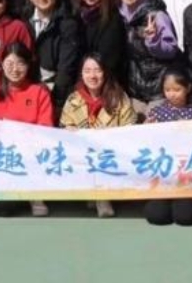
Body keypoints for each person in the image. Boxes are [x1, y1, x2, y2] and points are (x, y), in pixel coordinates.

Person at [60, 53, 140, 217]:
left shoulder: (119, 97)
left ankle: (101, 196)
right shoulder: (73, 99)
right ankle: (94, 194)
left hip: (110, 153)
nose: (92, 76)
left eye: (97, 70)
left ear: (105, 72)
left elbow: (130, 128)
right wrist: (69, 130)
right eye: (87, 71)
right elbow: (65, 125)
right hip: (83, 154)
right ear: (81, 74)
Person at [0, 42, 53, 217]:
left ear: (28, 65)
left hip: (32, 153)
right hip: (4, 156)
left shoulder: (39, 92)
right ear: (1, 65)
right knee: (3, 208)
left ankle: (35, 195)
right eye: (9, 64)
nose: (15, 69)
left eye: (20, 63)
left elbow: (46, 128)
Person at [143, 69, 192, 227]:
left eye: (177, 89)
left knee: (184, 217)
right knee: (156, 216)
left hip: (187, 173)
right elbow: (146, 142)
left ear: (188, 88)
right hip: (163, 172)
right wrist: (146, 128)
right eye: (167, 90)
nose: (172, 94)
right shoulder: (156, 113)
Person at [115, 0, 179, 104]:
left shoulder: (157, 15)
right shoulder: (116, 14)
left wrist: (154, 41)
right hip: (131, 87)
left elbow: (171, 50)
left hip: (157, 87)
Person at [26, 0, 83, 113]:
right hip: (27, 87)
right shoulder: (23, 20)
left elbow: (66, 67)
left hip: (55, 89)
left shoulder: (67, 24)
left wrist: (58, 99)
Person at [74, 0, 128, 86]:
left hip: (105, 81)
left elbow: (110, 59)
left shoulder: (112, 17)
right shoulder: (76, 15)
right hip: (81, 80)